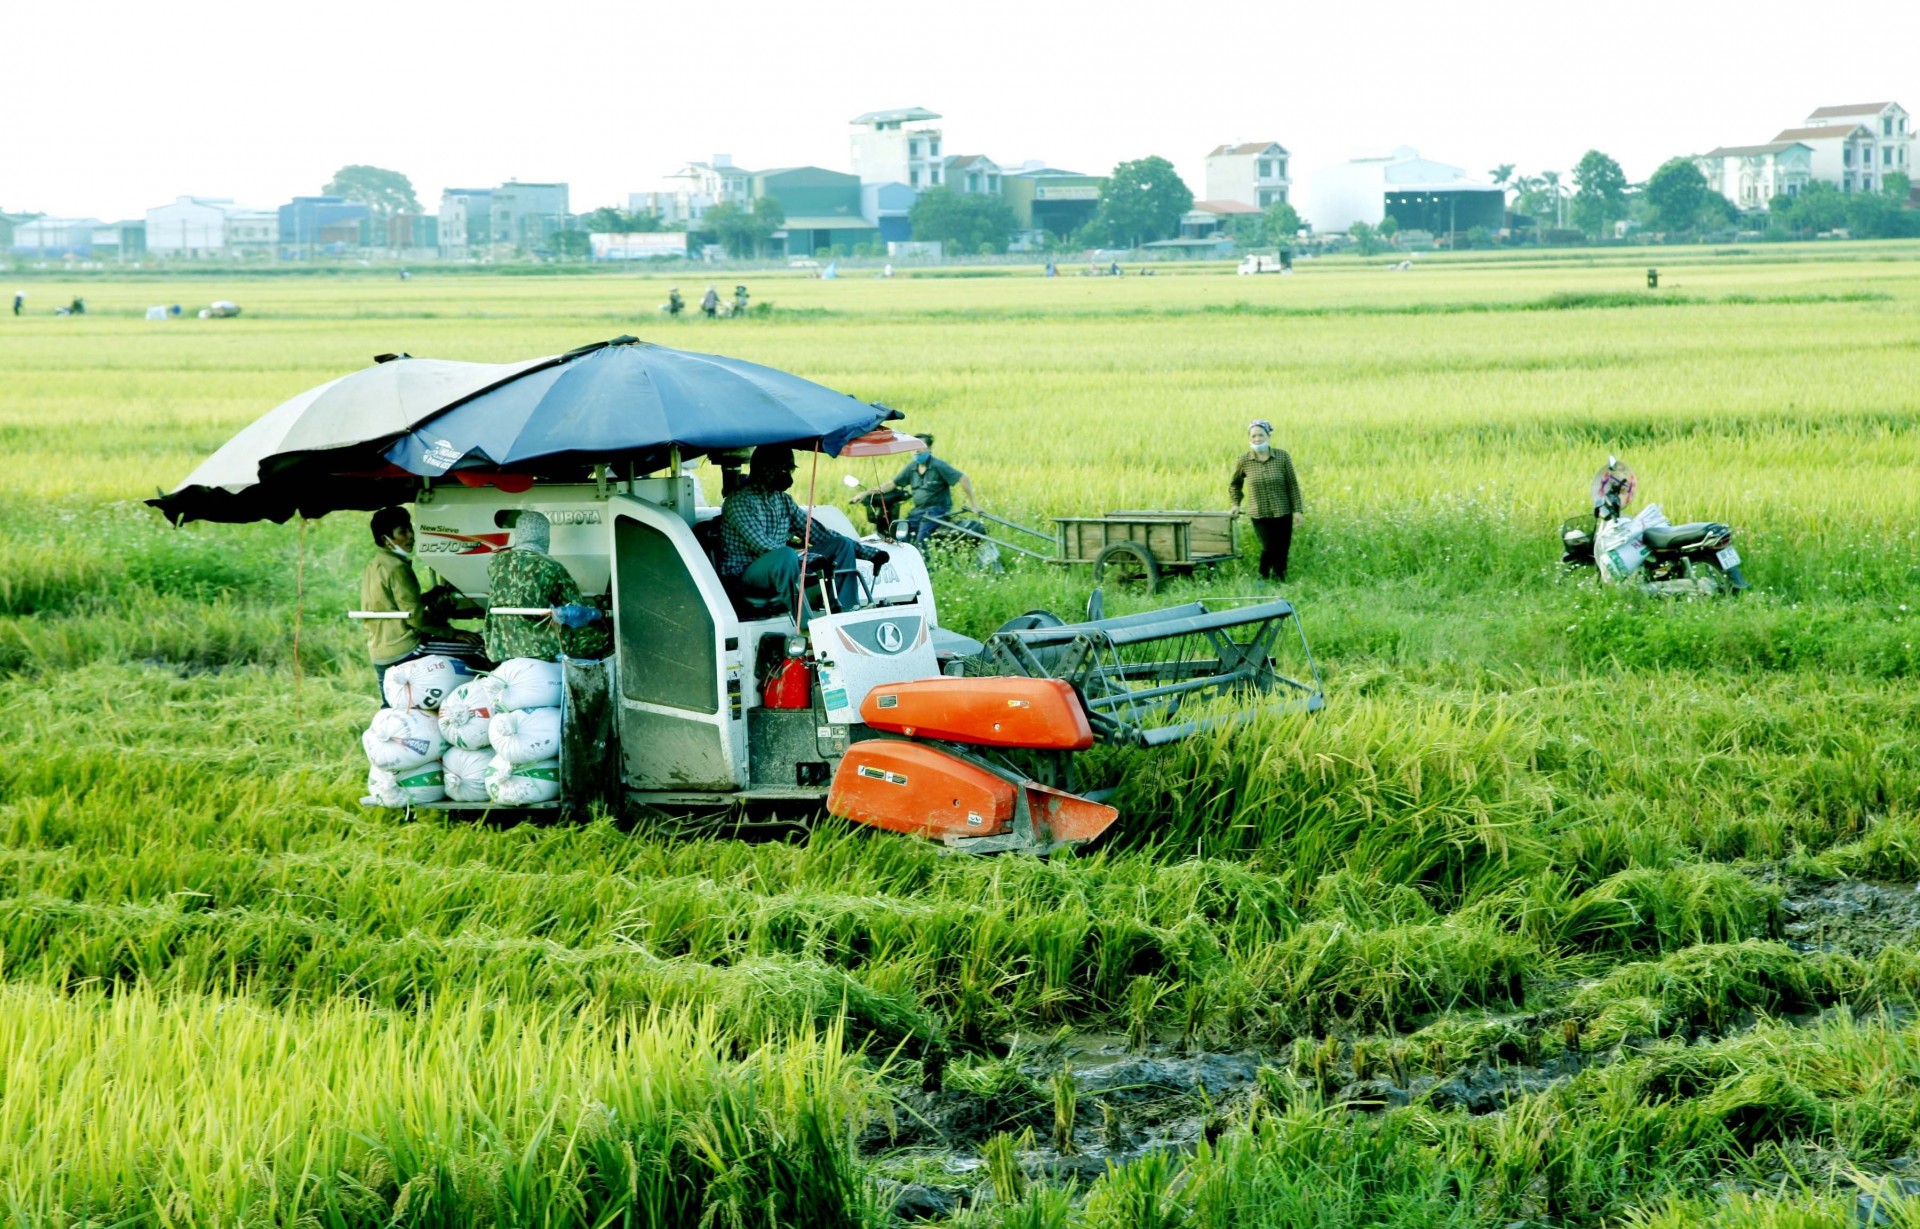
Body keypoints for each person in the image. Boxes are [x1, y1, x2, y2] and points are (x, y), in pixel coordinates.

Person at [719, 445, 888, 621]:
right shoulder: (739, 501)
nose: (788, 476)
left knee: (842, 544)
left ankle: (848, 613)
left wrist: (870, 554)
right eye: (783, 470)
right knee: (785, 555)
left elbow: (817, 532)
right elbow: (764, 547)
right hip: (744, 575)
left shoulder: (782, 500)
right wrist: (810, 560)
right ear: (764, 469)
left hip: (781, 565)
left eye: (790, 470)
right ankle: (805, 623)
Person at [360, 507, 463, 698]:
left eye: (410, 529)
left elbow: (391, 605)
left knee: (391, 703)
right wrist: (454, 633)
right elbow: (415, 618)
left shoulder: (374, 565)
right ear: (386, 540)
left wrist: (431, 595)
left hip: (379, 651)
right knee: (478, 650)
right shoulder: (398, 568)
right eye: (402, 532)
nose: (411, 536)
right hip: (407, 647)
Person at [484, 511, 610, 662]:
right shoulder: (551, 567)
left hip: (500, 646)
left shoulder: (495, 562)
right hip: (539, 646)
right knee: (601, 636)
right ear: (544, 536)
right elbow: (577, 609)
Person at [865, 433, 980, 547]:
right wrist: (866, 493)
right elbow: (892, 484)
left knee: (922, 538)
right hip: (919, 511)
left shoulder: (938, 465)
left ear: (929, 448)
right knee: (902, 535)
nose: (916, 450)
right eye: (913, 446)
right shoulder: (912, 467)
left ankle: (924, 557)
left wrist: (973, 504)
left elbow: (963, 478)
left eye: (920, 446)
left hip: (937, 510)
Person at [1228, 419, 1304, 582]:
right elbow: (1235, 484)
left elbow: (1292, 485)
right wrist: (1235, 504)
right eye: (1254, 436)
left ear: (1268, 436)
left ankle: (1280, 578)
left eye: (1261, 435)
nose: (1257, 439)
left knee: (1282, 548)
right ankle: (1263, 577)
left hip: (1282, 510)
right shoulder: (1244, 460)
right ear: (1249, 438)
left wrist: (1297, 510)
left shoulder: (1282, 457)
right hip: (1259, 512)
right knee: (1269, 546)